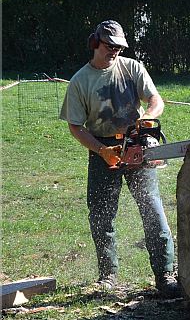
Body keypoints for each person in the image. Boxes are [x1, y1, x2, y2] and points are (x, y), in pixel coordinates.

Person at [60, 20, 180, 297]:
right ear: (95, 44)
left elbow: (156, 100)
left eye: (118, 47)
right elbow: (75, 126)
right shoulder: (81, 81)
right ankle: (108, 275)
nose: (114, 51)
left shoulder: (132, 68)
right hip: (101, 146)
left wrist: (147, 118)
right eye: (109, 46)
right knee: (102, 215)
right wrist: (102, 151)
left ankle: (165, 273)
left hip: (136, 143)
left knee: (152, 209)